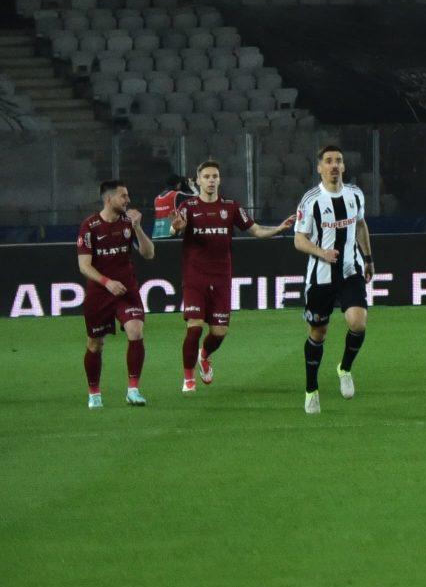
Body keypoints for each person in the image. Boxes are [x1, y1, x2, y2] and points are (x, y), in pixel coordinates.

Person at [168, 159, 288, 392]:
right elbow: (173, 229)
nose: (211, 180)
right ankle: (188, 378)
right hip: (195, 277)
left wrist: (278, 229)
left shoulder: (231, 207)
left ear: (219, 180)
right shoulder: (188, 207)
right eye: (207, 177)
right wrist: (175, 227)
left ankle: (205, 355)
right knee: (194, 326)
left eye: (215, 176)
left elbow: (255, 230)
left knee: (219, 332)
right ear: (198, 180)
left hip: (221, 277)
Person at [292, 144, 373, 415]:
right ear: (319, 168)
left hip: (351, 270)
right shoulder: (311, 200)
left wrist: (369, 258)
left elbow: (360, 225)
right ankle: (311, 389)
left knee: (358, 323)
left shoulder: (355, 195)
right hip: (321, 277)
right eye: (328, 161)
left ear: (344, 166)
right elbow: (299, 240)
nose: (334, 165)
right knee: (318, 333)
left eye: (339, 160)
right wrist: (321, 253)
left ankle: (345, 368)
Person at [75, 179, 154, 407]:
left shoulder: (129, 223)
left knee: (136, 331)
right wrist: (107, 282)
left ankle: (133, 390)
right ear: (109, 199)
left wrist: (138, 228)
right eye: (123, 196)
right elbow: (84, 265)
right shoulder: (89, 227)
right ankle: (94, 393)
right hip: (100, 293)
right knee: (95, 344)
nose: (128, 200)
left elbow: (149, 254)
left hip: (127, 290)